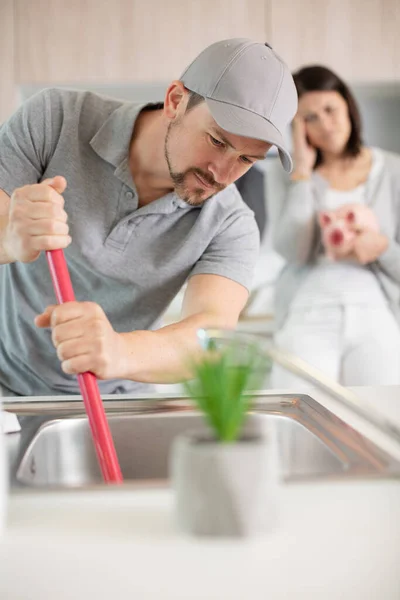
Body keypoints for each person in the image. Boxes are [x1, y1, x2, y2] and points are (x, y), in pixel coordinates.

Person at [0, 38, 297, 396]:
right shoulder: (54, 118)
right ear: (175, 100)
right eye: (218, 141)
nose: (222, 172)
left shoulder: (231, 224)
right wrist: (10, 237)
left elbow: (210, 337)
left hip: (117, 400)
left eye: (246, 160)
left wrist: (116, 350)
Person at [268, 65, 400, 389]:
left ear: (348, 107)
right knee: (299, 416)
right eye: (309, 118)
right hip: (309, 308)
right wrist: (301, 171)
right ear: (297, 128)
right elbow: (294, 252)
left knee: (382, 421)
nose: (325, 125)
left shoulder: (392, 169)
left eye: (330, 110)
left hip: (375, 309)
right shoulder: (283, 175)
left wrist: (382, 248)